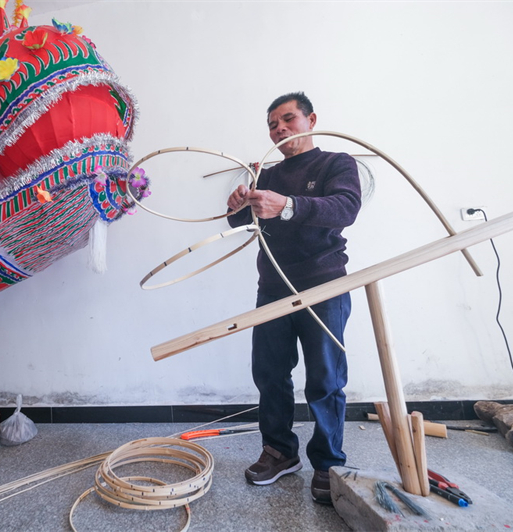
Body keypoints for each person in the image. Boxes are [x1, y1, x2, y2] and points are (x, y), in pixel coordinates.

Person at [226, 92, 361, 505]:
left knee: (324, 380)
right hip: (272, 288)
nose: (279, 129)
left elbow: (345, 207)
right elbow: (243, 221)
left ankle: (328, 463)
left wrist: (287, 205)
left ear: (311, 120)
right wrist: (235, 205)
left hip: (323, 286)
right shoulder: (266, 172)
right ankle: (280, 451)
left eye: (287, 119)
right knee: (269, 373)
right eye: (272, 124)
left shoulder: (336, 163)